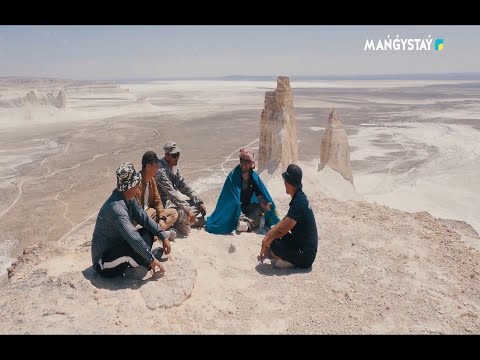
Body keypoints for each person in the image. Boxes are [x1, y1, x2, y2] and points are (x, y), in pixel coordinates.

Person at [91, 162, 172, 278]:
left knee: (147, 231)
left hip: (118, 245)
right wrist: (150, 258)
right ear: (130, 186)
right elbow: (133, 236)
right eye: (137, 183)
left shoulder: (128, 198)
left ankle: (144, 258)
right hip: (103, 262)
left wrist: (162, 235)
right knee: (132, 248)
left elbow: (144, 218)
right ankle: (147, 264)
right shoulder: (116, 208)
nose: (139, 185)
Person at [205, 148, 280, 234]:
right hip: (233, 208)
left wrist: (266, 206)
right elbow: (231, 200)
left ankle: (246, 225)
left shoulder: (253, 178)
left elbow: (260, 197)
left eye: (247, 161)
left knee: (258, 209)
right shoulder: (233, 176)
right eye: (242, 160)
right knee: (235, 208)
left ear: (251, 163)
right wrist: (237, 209)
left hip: (245, 207)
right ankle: (245, 223)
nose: (244, 163)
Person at [259, 164, 318, 269]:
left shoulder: (299, 203)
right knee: (274, 234)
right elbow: (283, 223)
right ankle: (280, 257)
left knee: (274, 244)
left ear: (288, 183)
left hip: (305, 256)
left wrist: (265, 242)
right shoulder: (299, 198)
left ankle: (287, 262)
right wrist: (268, 236)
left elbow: (281, 230)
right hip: (301, 244)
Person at [156, 141, 207, 236]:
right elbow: (172, 194)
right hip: (163, 207)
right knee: (183, 211)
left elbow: (184, 186)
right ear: (167, 155)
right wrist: (188, 210)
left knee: (196, 205)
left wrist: (198, 200)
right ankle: (178, 224)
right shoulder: (160, 171)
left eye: (178, 155)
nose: (177, 158)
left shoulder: (174, 168)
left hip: (172, 203)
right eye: (174, 156)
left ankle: (182, 222)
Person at [134, 150, 178, 240]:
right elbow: (137, 212)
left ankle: (155, 234)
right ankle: (160, 234)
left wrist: (161, 217)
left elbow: (158, 201)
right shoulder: (137, 183)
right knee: (152, 212)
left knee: (174, 213)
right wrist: (153, 212)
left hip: (151, 216)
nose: (158, 167)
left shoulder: (152, 180)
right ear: (148, 166)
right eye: (155, 165)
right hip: (141, 218)